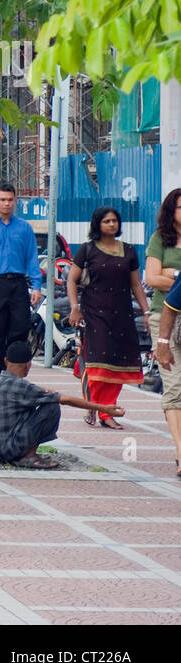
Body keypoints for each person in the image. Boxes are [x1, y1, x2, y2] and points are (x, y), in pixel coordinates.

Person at [67, 206, 147, 430]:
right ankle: (97, 407)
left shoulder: (129, 251)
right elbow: (72, 280)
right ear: (97, 225)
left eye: (114, 221)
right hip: (94, 314)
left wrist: (147, 311)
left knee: (118, 363)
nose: (112, 225)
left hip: (122, 315)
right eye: (107, 221)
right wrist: (75, 307)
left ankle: (106, 408)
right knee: (97, 363)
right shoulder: (87, 250)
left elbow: (136, 285)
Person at [0, 340, 122, 468]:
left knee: (42, 402)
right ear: (28, 365)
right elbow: (65, 400)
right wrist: (103, 408)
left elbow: (29, 390)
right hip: (11, 449)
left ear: (6, 361)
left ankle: (24, 454)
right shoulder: (23, 387)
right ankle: (29, 456)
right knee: (51, 406)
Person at [0, 184, 43, 378]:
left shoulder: (24, 228)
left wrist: (36, 286)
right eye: (2, 200)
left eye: (10, 200)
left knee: (20, 330)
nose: (6, 203)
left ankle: (15, 375)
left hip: (17, 284)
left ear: (15, 201)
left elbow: (32, 258)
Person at [144, 189, 181, 476]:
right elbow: (151, 278)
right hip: (164, 318)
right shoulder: (160, 240)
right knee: (174, 385)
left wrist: (171, 274)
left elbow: (163, 276)